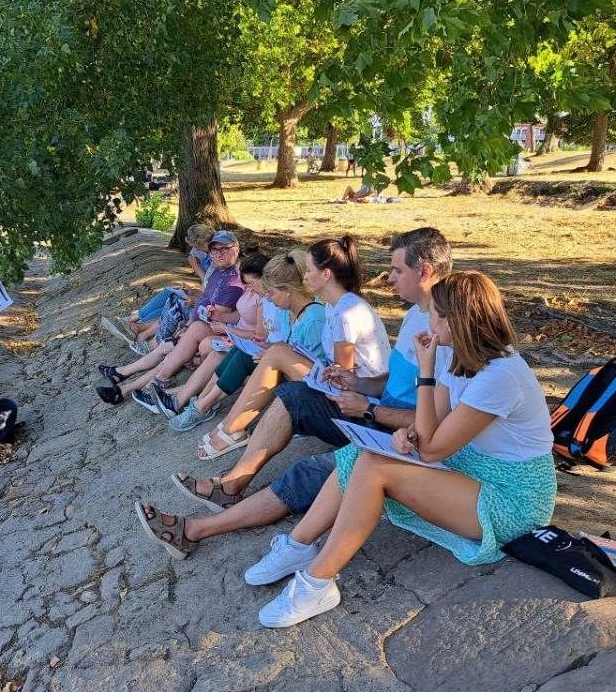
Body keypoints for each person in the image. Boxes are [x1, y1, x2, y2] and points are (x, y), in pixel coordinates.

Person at [251, 270, 557, 628]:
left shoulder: (500, 376)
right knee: (359, 452)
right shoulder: (459, 359)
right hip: (474, 469)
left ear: (459, 320)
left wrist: (425, 375)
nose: (429, 321)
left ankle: (318, 582)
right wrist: (407, 434)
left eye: (437, 315)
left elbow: (432, 449)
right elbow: (432, 427)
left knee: (376, 467)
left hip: (512, 498)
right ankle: (299, 545)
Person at [135, 228, 454, 555]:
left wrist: (369, 409)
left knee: (310, 470)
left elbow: (435, 424)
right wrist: (356, 384)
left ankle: (196, 530)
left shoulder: (448, 335)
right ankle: (231, 484)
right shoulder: (417, 316)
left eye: (398, 270)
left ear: (425, 272)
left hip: (398, 435)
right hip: (375, 415)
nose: (389, 279)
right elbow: (390, 382)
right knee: (292, 398)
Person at [193, 235, 390, 462]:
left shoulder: (345, 313)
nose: (304, 276)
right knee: (274, 353)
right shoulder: (334, 306)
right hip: (349, 385)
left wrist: (297, 363)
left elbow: (344, 378)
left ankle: (230, 429)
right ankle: (230, 427)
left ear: (326, 275)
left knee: (277, 353)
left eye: (308, 271)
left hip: (360, 398)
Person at [164, 249, 324, 430]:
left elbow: (310, 363)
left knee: (240, 356)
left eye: (270, 293)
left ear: (287, 291)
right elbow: (282, 343)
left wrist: (271, 355)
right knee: (237, 352)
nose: (268, 298)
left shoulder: (311, 317)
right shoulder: (288, 310)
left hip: (303, 380)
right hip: (279, 360)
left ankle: (203, 406)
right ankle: (200, 402)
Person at [95, 231, 244, 405]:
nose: (219, 253)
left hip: (215, 333)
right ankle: (124, 381)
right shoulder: (219, 272)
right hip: (200, 328)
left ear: (236, 249)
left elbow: (214, 317)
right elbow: (203, 302)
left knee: (171, 347)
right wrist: (187, 326)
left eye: (225, 248)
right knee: (172, 333)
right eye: (214, 249)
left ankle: (130, 380)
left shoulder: (234, 281)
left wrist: (187, 333)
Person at [147, 252, 270, 417]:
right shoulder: (250, 290)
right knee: (192, 336)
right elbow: (238, 315)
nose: (242, 282)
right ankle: (166, 390)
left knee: (213, 352)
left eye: (246, 279)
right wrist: (219, 318)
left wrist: (227, 329)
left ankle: (185, 400)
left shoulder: (264, 298)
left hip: (248, 344)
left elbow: (260, 336)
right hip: (239, 339)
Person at [103, 224, 213, 347]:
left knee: (176, 301)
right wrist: (194, 289)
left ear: (204, 242)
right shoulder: (208, 255)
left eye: (197, 246)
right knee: (170, 292)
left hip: (208, 301)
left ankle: (136, 326)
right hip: (204, 293)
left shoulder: (215, 257)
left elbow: (210, 284)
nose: (196, 250)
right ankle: (132, 320)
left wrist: (196, 268)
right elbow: (208, 284)